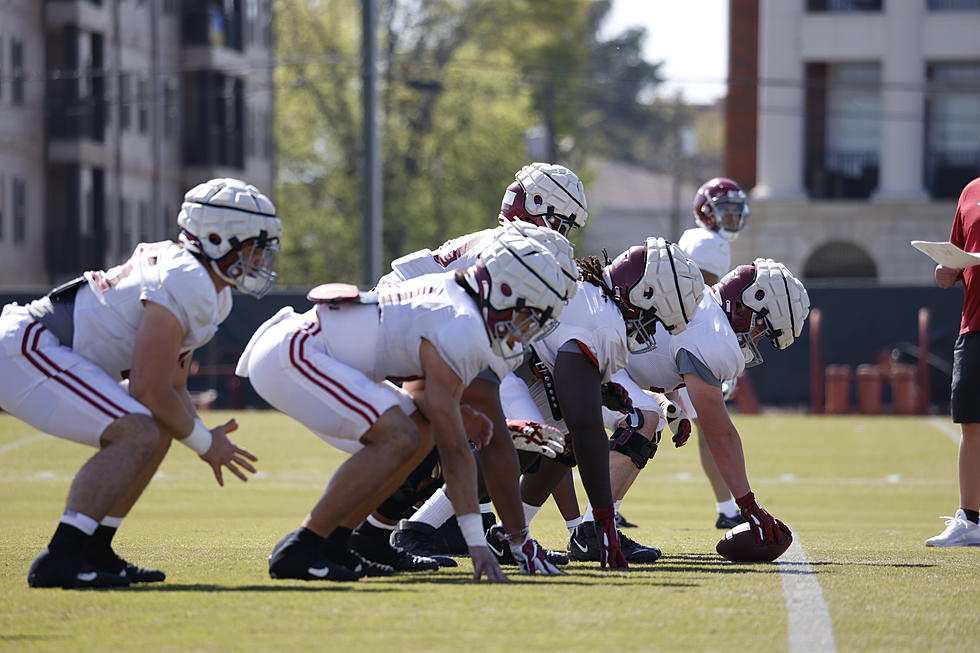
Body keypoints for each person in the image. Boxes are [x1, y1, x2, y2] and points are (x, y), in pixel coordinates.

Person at [236, 230, 570, 581]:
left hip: (312, 351)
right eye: (529, 312)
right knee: (401, 436)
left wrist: (457, 414)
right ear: (505, 291)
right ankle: (301, 547)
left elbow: (424, 399)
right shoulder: (461, 322)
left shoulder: (463, 305)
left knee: (419, 432)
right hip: (295, 351)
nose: (530, 327)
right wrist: (476, 545)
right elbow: (456, 449)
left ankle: (336, 543)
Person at [0, 178, 281, 588]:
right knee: (138, 430)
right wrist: (206, 445)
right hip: (27, 346)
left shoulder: (208, 288)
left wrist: (200, 433)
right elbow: (147, 388)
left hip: (43, 347)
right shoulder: (187, 278)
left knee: (157, 428)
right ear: (220, 238)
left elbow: (171, 387)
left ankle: (95, 549)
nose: (259, 259)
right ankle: (62, 556)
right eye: (254, 247)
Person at [360, 163, 584, 571]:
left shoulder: (510, 244)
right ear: (536, 206)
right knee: (480, 436)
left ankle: (465, 529)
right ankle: (395, 530)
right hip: (403, 332)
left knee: (520, 438)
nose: (563, 235)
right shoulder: (512, 248)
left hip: (428, 331)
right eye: (560, 222)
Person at [595, 258, 809, 558]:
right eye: (762, 328)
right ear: (747, 306)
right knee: (644, 419)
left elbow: (653, 357)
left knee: (648, 419)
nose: (757, 339)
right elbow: (719, 434)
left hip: (597, 360)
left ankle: (576, 528)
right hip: (593, 362)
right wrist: (748, 505)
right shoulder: (714, 335)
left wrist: (669, 402)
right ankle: (593, 530)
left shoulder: (704, 306)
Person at [673, 177, 752, 530]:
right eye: (725, 209)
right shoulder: (706, 242)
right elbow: (705, 300)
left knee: (698, 425)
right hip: (685, 345)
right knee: (657, 424)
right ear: (705, 212)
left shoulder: (705, 239)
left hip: (680, 341)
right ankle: (728, 507)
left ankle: (727, 507)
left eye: (737, 210)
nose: (732, 216)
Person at [927, 176, 980, 547]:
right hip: (974, 324)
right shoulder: (970, 191)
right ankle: (971, 519)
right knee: (971, 424)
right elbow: (957, 256)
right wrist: (947, 272)